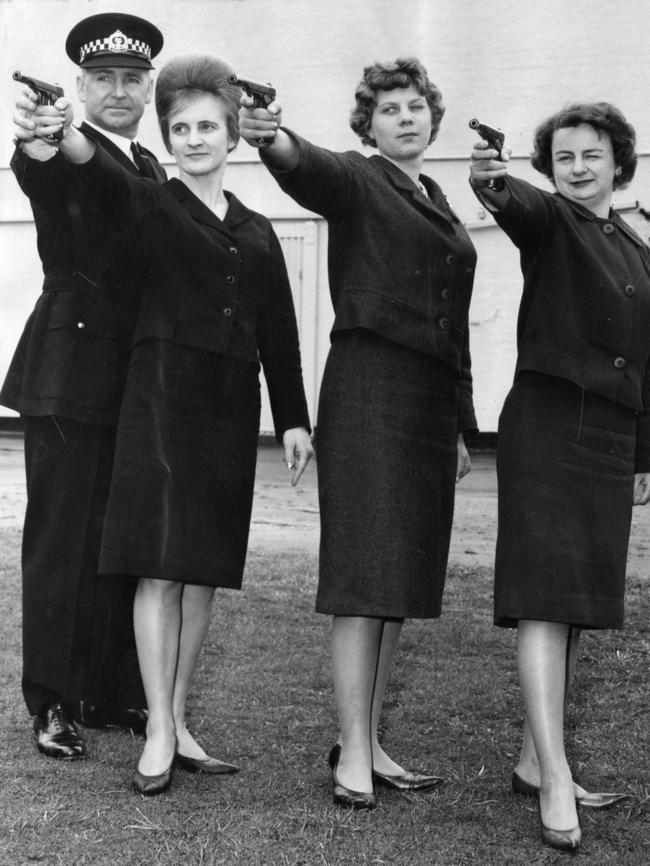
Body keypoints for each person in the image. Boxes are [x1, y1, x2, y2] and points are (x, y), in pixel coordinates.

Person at [32, 53, 313, 796]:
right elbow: (96, 177)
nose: (194, 139)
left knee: (199, 573)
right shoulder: (150, 202)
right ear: (171, 135)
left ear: (231, 137)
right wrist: (59, 137)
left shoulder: (256, 230)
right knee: (158, 566)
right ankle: (157, 726)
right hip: (158, 401)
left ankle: (178, 716)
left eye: (208, 127)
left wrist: (293, 421)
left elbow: (278, 332)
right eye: (181, 127)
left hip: (226, 410)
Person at [239, 57, 477, 810]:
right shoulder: (361, 179)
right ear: (368, 124)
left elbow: (459, 327)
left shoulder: (438, 197)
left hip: (431, 404)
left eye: (416, 107)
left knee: (399, 579)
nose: (405, 118)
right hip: (370, 390)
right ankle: (348, 750)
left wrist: (463, 423)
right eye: (389, 109)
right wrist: (273, 139)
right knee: (363, 576)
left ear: (431, 120)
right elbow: (308, 171)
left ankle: (369, 742)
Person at [469, 102, 650, 851]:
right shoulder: (550, 222)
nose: (579, 167)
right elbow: (514, 204)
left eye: (592, 155)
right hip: (548, 430)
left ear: (619, 162)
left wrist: (642, 458)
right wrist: (492, 181)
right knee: (546, 604)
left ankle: (531, 760)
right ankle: (554, 777)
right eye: (565, 156)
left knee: (574, 607)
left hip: (610, 439)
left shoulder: (636, 246)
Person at [4, 12, 166, 760]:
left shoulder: (150, 164)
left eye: (132, 80)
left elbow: (136, 208)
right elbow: (40, 165)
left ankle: (107, 692)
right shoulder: (68, 150)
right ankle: (54, 702)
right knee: (63, 541)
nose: (118, 91)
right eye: (103, 79)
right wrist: (41, 134)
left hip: (133, 376)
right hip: (69, 375)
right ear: (79, 87)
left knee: (118, 542)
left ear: (148, 89)